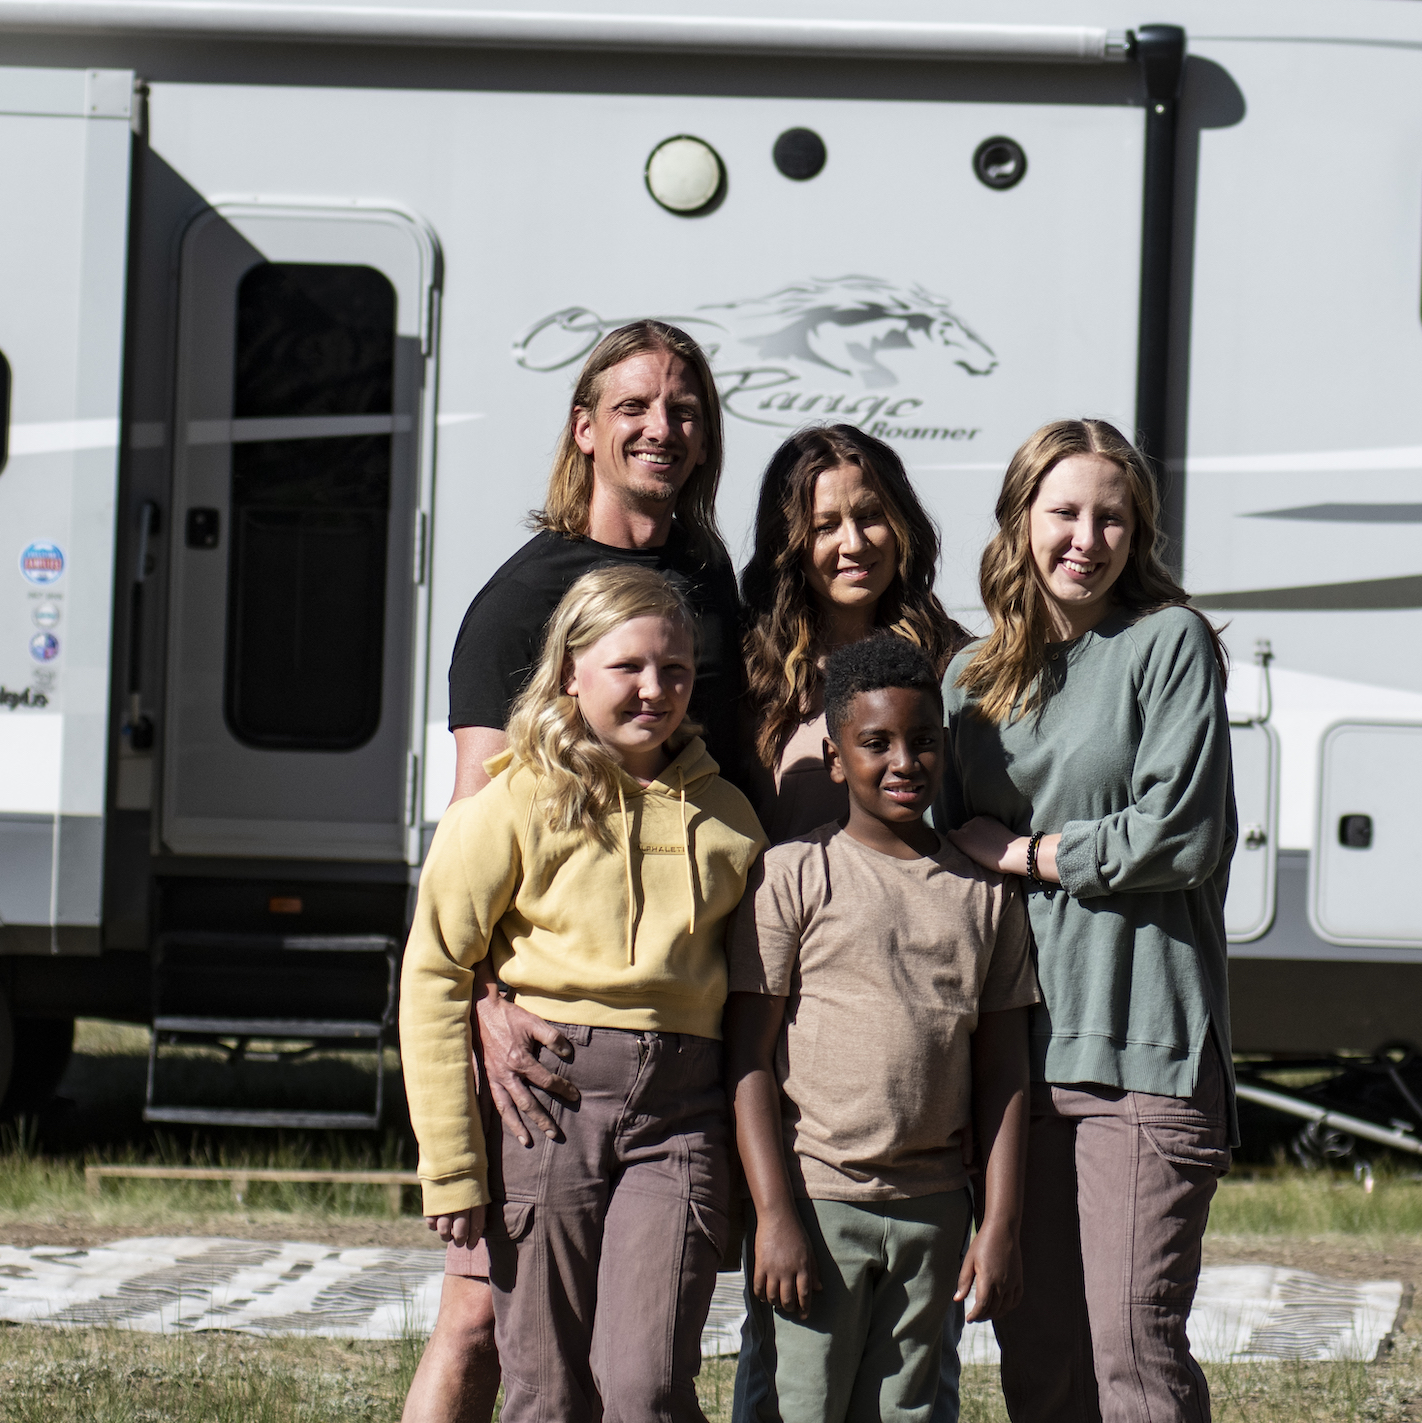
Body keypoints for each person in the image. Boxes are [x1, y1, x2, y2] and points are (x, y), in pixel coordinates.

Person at [411, 318, 758, 1423]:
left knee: (640, 1374)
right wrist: (481, 1002)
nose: (664, 427)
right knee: (478, 1323)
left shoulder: (703, 576)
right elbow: (478, 834)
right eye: (635, 408)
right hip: (541, 1047)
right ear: (585, 430)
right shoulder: (526, 599)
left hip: (672, 1063)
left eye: (686, 409)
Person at [945, 420, 1236, 1423]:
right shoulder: (970, 682)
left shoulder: (1168, 645)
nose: (1086, 537)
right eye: (1063, 512)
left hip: (1141, 1055)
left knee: (1132, 1355)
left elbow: (1180, 835)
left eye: (1111, 517)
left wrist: (1027, 853)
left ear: (1139, 532)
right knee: (1040, 1369)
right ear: (1021, 519)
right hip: (1012, 1066)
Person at [725, 633, 1038, 1423]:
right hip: (816, 1206)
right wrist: (773, 1215)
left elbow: (1003, 1072)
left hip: (935, 1210)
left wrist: (997, 1224)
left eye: (923, 740)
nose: (905, 760)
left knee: (913, 1409)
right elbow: (750, 1060)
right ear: (836, 759)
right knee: (797, 1406)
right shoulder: (792, 875)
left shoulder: (986, 894)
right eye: (876, 743)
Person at [736, 426, 974, 839]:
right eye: (825, 526)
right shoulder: (744, 674)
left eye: (870, 516)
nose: (855, 543)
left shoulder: (952, 664)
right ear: (788, 543)